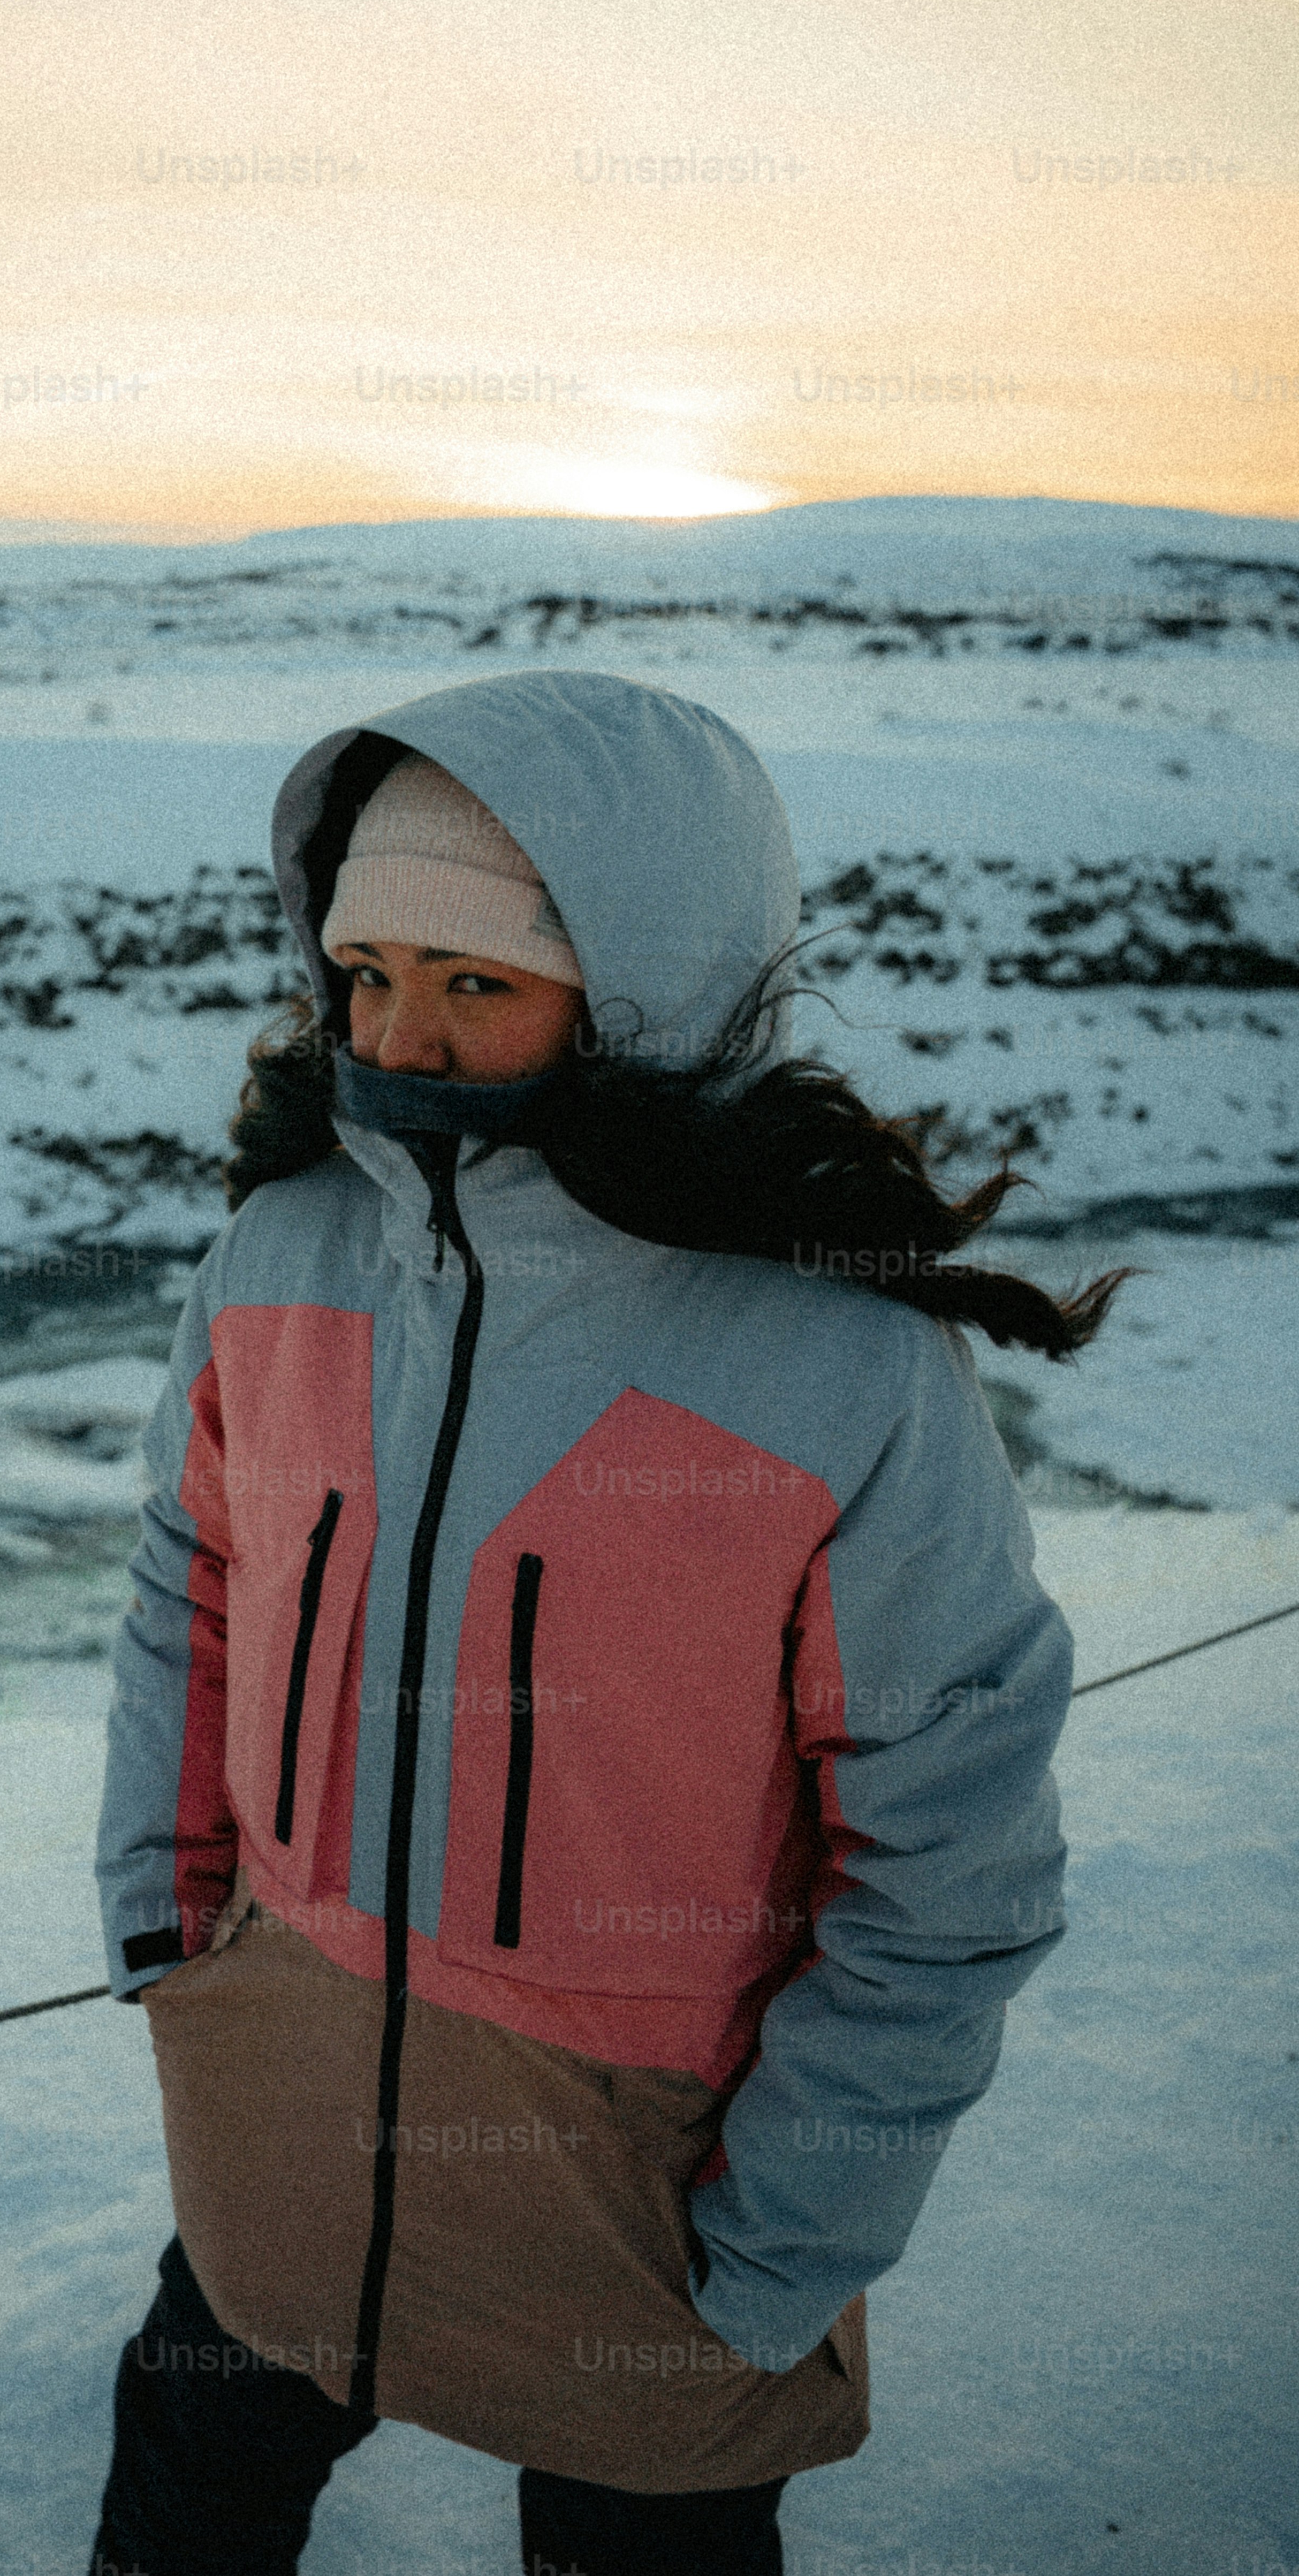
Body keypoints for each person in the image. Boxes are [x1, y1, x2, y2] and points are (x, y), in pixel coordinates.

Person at [89, 668, 1128, 2576]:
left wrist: (785, 2235)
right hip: (288, 2114)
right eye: (370, 969)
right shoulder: (284, 1254)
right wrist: (173, 1926)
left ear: (646, 991)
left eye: (479, 982)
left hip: (651, 2185)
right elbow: (195, 1580)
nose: (399, 1036)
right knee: (183, 2500)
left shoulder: (835, 1368)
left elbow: (959, 1849)